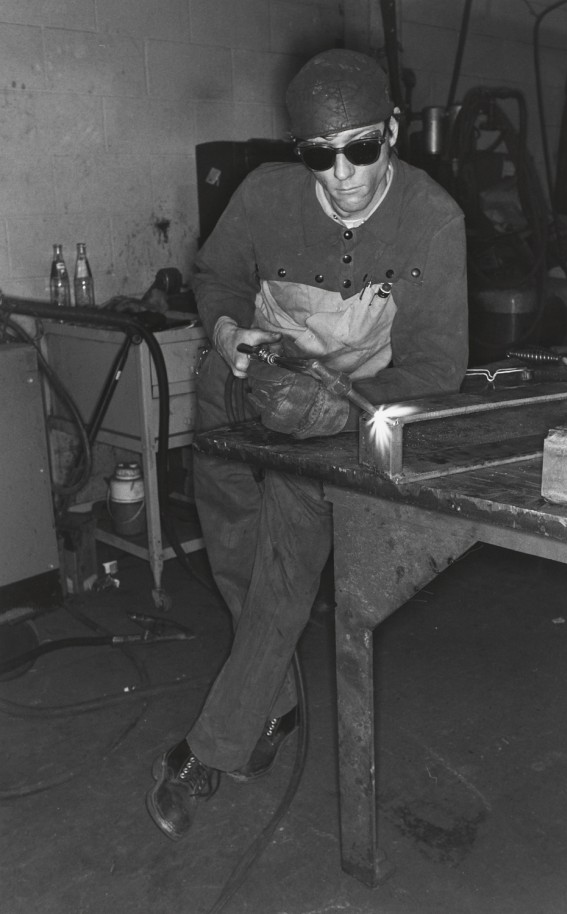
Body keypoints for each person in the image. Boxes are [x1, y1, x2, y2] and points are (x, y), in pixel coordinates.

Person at [146, 48, 468, 840]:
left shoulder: (432, 219)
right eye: (322, 157)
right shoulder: (264, 198)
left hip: (339, 417)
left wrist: (337, 413)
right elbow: (216, 275)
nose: (344, 175)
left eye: (361, 147)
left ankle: (210, 748)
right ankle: (273, 709)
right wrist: (228, 333)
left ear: (392, 131)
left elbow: (437, 369)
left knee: (284, 573)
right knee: (236, 561)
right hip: (238, 393)